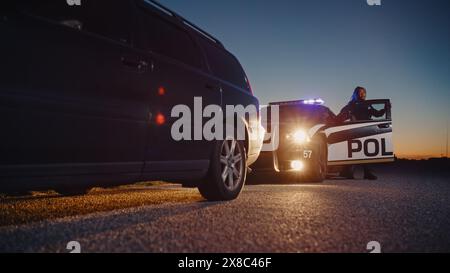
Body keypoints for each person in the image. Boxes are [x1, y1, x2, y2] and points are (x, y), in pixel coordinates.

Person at [336, 86, 387, 180]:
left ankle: (356, 172)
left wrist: (385, 108)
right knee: (354, 152)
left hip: (367, 130)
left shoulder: (367, 105)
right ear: (355, 94)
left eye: (364, 92)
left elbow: (377, 114)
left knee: (363, 152)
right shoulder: (351, 105)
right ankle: (349, 172)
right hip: (354, 129)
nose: (362, 94)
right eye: (360, 92)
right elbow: (341, 115)